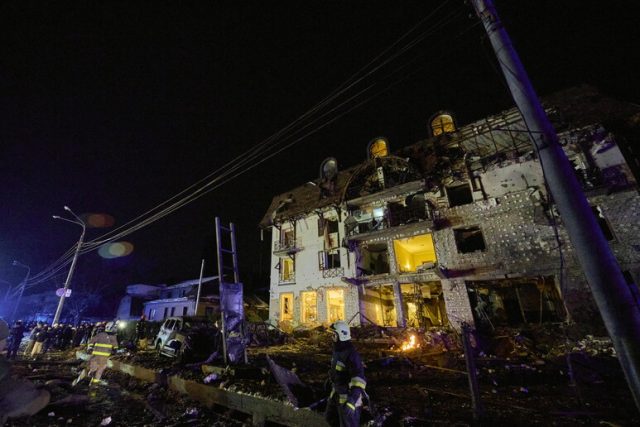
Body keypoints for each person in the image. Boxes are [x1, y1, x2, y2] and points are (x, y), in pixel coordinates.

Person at [325, 320, 367, 427]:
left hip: (348, 398)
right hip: (337, 394)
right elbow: (338, 370)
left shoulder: (351, 354)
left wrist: (352, 400)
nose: (332, 337)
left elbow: (359, 379)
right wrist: (330, 380)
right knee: (330, 419)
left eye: (334, 335)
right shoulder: (338, 350)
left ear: (342, 335)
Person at [73, 321, 119, 387]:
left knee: (97, 370)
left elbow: (91, 342)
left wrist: (90, 348)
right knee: (95, 370)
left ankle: (91, 384)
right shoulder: (106, 336)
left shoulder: (106, 335)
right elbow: (115, 348)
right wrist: (114, 351)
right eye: (114, 327)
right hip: (99, 356)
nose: (115, 329)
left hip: (100, 357)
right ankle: (87, 383)